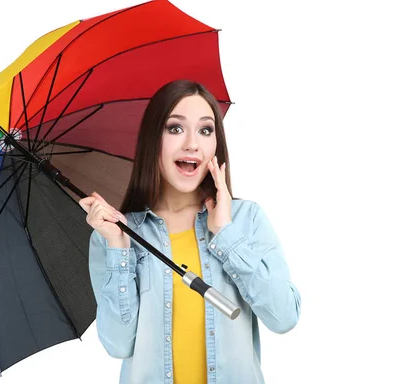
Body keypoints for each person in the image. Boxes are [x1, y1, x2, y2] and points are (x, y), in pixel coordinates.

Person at [79, 79, 301, 384]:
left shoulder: (246, 220)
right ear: (151, 140)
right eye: (175, 128)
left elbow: (284, 317)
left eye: (206, 130)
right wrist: (119, 247)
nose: (192, 143)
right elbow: (118, 345)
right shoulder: (117, 233)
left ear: (216, 144)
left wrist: (225, 234)